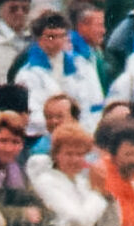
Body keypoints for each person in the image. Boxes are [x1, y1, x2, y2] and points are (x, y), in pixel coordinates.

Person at [14, 10, 103, 139]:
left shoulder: (82, 66)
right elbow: (34, 116)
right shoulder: (27, 74)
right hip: (45, 138)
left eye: (62, 36)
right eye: (51, 36)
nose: (57, 41)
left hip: (84, 135)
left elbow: (95, 104)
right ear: (38, 39)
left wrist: (83, 133)